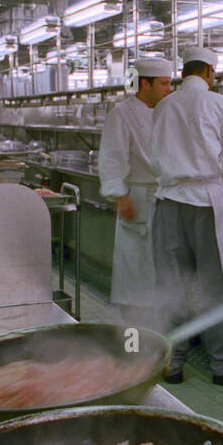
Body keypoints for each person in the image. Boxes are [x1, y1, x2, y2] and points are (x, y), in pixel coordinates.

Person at [149, 46, 223, 385]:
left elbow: (157, 156)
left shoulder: (164, 106)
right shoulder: (218, 103)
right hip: (205, 204)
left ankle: (173, 363)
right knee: (213, 286)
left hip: (167, 202)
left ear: (183, 73)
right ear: (209, 72)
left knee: (172, 285)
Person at [98, 57, 173, 328]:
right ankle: (132, 332)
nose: (169, 89)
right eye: (164, 83)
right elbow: (111, 159)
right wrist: (120, 194)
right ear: (145, 83)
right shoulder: (121, 114)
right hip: (138, 201)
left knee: (162, 272)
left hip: (165, 199)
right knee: (135, 272)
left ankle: (161, 330)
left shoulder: (167, 111)